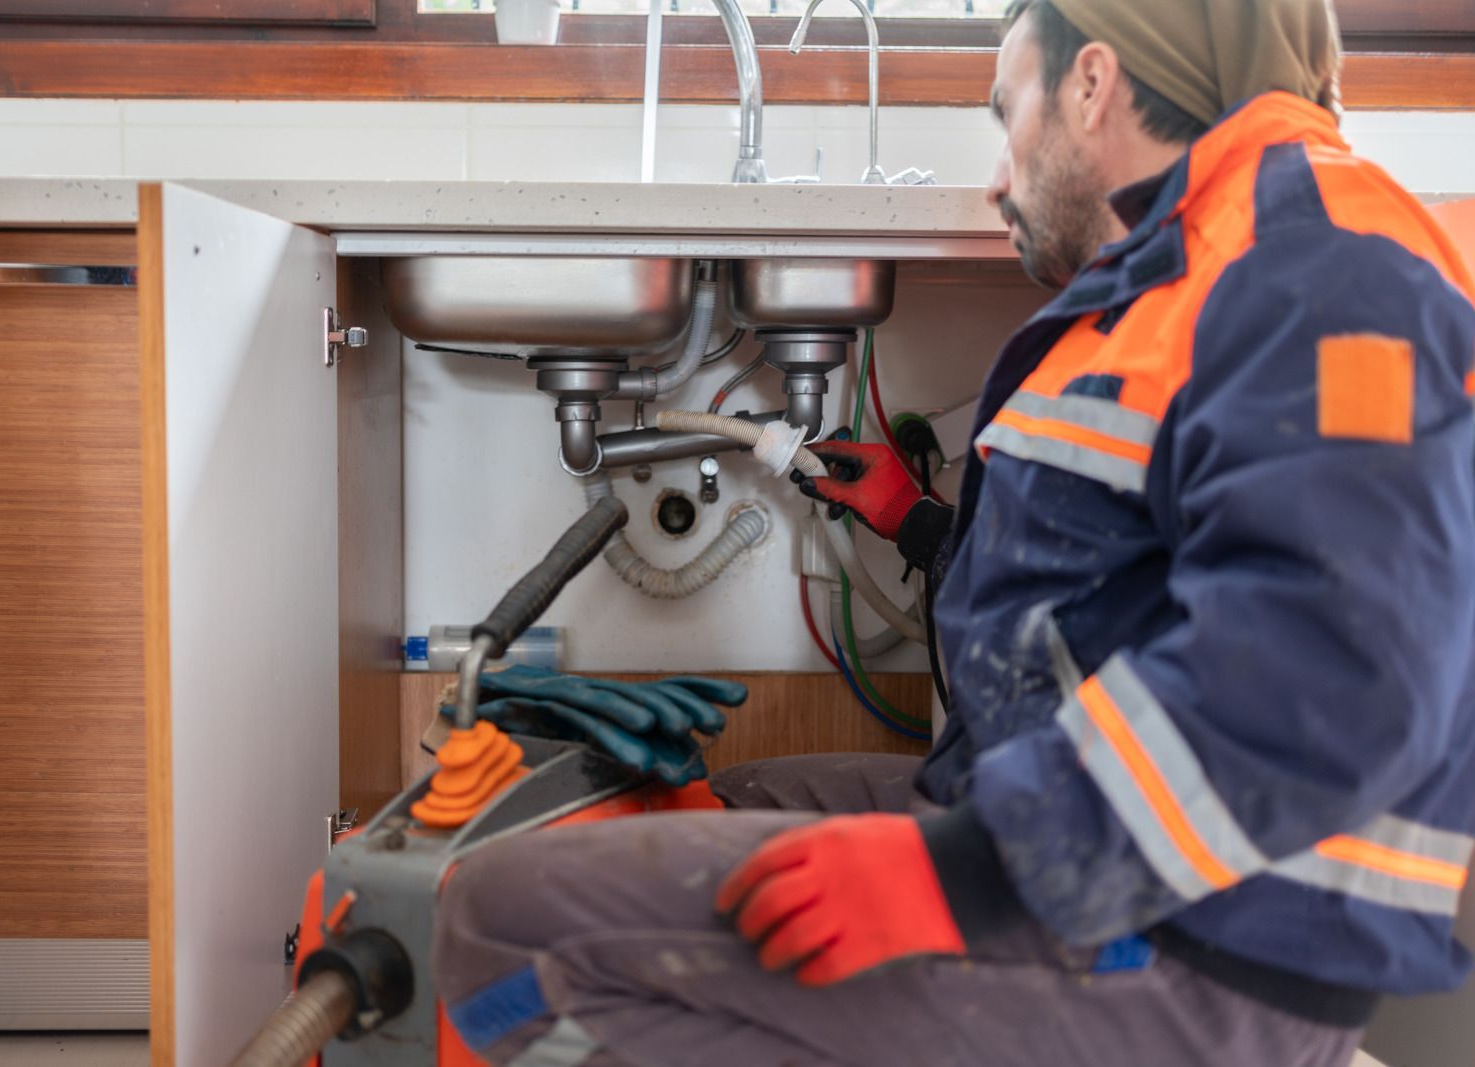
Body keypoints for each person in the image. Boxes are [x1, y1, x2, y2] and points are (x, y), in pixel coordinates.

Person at [431, 0, 1475, 1063]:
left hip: (1202, 939)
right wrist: (924, 526)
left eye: (1004, 112)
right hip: (1140, 872)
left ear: (1091, 85)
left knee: (505, 917)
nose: (995, 176)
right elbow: (1130, 571)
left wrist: (960, 873)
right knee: (720, 798)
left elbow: (1339, 671)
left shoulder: (1317, 266)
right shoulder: (1206, 254)